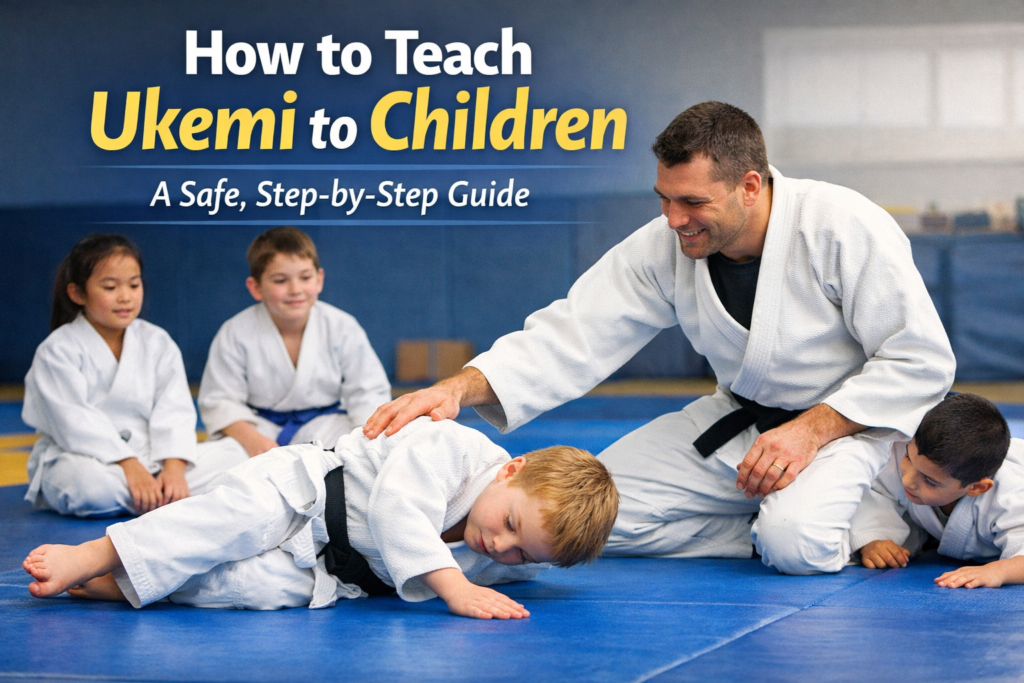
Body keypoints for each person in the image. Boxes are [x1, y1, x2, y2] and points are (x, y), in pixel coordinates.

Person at [363, 101, 956, 575]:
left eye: (693, 202)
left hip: (848, 430)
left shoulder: (841, 225)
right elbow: (576, 330)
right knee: (580, 524)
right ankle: (754, 529)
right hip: (741, 423)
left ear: (750, 185)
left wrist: (811, 429)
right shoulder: (666, 243)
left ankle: (849, 518)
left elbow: (920, 359)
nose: (674, 219)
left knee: (796, 547)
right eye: (665, 199)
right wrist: (460, 388)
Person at [22, 418, 619, 620]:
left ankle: (125, 587)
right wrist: (454, 587)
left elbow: (514, 565)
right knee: (223, 523)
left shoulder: (506, 565)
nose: (500, 546)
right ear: (510, 470)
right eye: (511, 525)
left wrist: (496, 579)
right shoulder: (456, 450)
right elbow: (396, 507)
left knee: (249, 590)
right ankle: (100, 553)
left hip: (333, 572)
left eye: (522, 555)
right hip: (303, 491)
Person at [23, 234, 248, 517]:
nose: (125, 296)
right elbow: (73, 422)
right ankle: (168, 498)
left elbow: (174, 408)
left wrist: (174, 468)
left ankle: (161, 492)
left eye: (134, 284)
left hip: (153, 458)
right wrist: (128, 464)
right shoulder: (57, 350)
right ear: (77, 293)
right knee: (89, 487)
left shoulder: (156, 341)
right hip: (88, 461)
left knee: (235, 455)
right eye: (110, 286)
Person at [198, 227, 391, 458]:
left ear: (319, 280)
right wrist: (254, 442)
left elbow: (368, 392)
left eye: (305, 277)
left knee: (373, 449)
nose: (295, 289)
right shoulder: (235, 332)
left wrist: (366, 442)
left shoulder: (342, 326)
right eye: (280, 280)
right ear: (256, 288)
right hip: (259, 429)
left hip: (328, 426)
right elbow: (220, 401)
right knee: (208, 461)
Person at [849, 393, 1024, 589]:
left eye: (929, 480)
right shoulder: (907, 447)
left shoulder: (1010, 496)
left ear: (976, 488)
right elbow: (879, 492)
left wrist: (997, 571)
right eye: (908, 458)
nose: (908, 480)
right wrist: (873, 539)